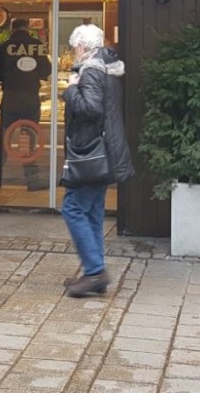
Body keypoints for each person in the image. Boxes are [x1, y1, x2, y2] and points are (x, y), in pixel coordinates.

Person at [60, 24, 134, 298]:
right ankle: (96, 271)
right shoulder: (109, 69)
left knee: (73, 208)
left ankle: (94, 272)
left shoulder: (91, 70)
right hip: (104, 152)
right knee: (91, 211)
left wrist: (70, 90)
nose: (74, 53)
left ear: (82, 47)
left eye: (74, 47)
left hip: (91, 153)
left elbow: (91, 108)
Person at [0, 18, 51, 190]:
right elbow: (47, 71)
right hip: (30, 97)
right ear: (27, 27)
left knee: (4, 138)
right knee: (29, 137)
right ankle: (32, 181)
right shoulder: (36, 45)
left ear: (11, 28)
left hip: (10, 98)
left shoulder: (4, 47)